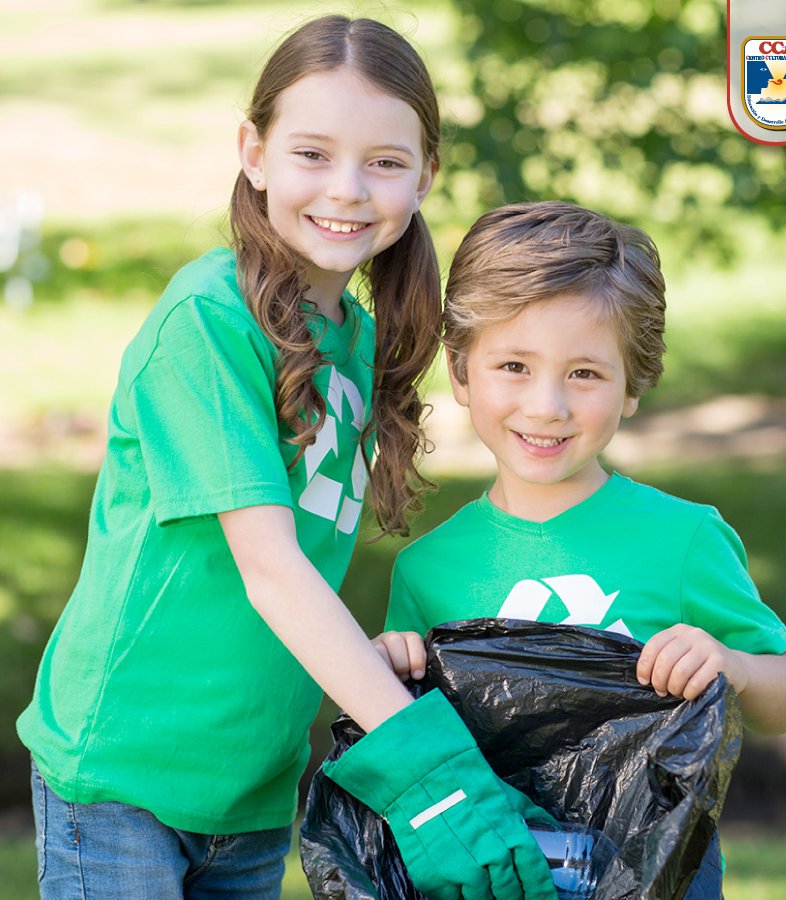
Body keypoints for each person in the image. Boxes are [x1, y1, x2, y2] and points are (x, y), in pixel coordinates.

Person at [17, 18, 557, 900]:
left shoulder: (360, 342)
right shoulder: (209, 321)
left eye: (384, 162)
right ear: (254, 153)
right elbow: (271, 569)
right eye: (313, 153)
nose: (347, 189)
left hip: (253, 788)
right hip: (124, 774)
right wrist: (433, 773)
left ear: (427, 176)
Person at [375, 200, 786, 884]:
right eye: (513, 366)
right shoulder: (427, 568)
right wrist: (388, 664)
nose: (546, 406)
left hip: (653, 872)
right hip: (492, 876)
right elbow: (410, 747)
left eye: (584, 373)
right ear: (460, 373)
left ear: (632, 385)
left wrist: (730, 663)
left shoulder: (684, 539)